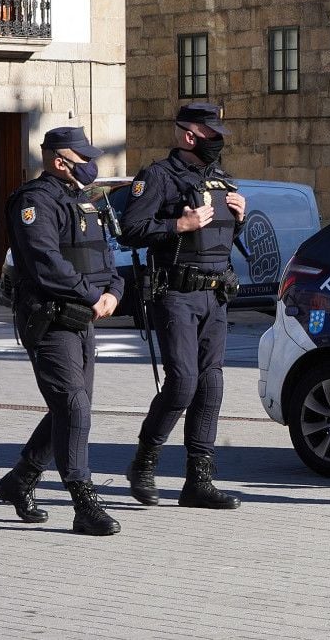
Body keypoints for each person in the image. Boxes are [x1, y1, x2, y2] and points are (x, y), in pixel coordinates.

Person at [0, 126, 123, 536]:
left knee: (71, 406)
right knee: (73, 406)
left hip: (80, 317)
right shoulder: (34, 202)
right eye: (82, 157)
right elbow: (45, 263)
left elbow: (104, 260)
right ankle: (83, 501)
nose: (90, 164)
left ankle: (19, 481)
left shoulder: (81, 201)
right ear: (58, 159)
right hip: (47, 317)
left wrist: (114, 292)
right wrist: (92, 295)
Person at [120, 102, 244, 510]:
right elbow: (131, 230)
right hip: (176, 292)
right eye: (212, 136)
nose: (218, 143)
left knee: (211, 385)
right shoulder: (157, 177)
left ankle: (198, 481)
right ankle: (144, 462)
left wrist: (239, 219)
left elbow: (222, 241)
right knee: (183, 382)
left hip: (215, 294)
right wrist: (179, 224)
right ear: (189, 136)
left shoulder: (221, 179)